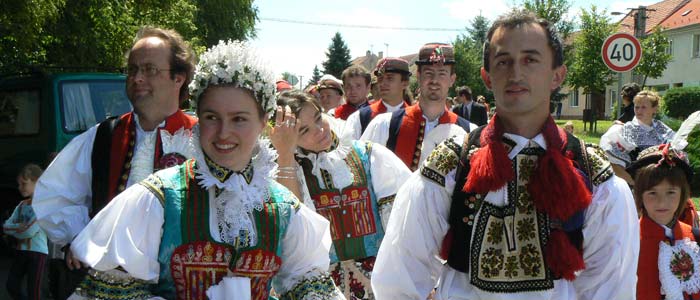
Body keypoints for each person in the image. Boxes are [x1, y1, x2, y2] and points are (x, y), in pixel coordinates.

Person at [371, 9, 639, 299]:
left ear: (557, 75)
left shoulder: (594, 175)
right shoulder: (449, 166)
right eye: (503, 62)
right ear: (487, 77)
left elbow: (611, 287)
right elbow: (399, 279)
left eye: (530, 59)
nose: (516, 73)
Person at [67, 40, 343, 300]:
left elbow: (309, 282)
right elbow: (110, 293)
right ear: (199, 119)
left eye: (239, 119)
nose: (224, 133)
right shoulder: (158, 199)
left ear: (263, 123)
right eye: (212, 117)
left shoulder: (283, 208)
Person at [32, 26, 198, 295]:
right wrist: (80, 238)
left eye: (149, 69)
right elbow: (54, 195)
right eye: (132, 70)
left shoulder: (201, 138)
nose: (137, 78)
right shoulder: (103, 136)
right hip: (109, 288)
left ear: (178, 78)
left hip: (181, 287)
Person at [270, 90, 411, 299]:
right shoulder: (289, 172)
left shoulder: (370, 155)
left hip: (378, 283)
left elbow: (403, 222)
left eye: (318, 118)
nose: (319, 130)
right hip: (322, 289)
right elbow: (294, 229)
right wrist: (286, 155)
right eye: (304, 130)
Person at [361, 44, 476, 171]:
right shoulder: (384, 125)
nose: (434, 80)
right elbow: (361, 173)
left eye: (442, 73)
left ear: (452, 79)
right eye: (428, 73)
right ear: (419, 76)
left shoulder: (468, 132)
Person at [627, 144, 700, 300]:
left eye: (671, 192)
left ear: (683, 195)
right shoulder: (627, 243)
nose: (662, 202)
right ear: (640, 195)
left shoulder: (695, 239)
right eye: (652, 193)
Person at [601, 90, 676, 185]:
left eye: (644, 107)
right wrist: (635, 184)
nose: (639, 111)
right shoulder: (624, 130)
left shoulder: (663, 129)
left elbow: (675, 153)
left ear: (655, 108)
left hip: (661, 182)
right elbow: (614, 164)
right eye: (637, 107)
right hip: (634, 185)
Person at [3, 164, 47, 300]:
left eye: (24, 183)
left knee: (34, 290)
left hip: (37, 253)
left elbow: (29, 231)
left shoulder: (43, 206)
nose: (20, 187)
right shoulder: (22, 205)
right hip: (21, 251)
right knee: (12, 285)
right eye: (19, 184)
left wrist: (15, 228)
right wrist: (20, 227)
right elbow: (5, 226)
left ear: (37, 182)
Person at [342, 57, 413, 141]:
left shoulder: (416, 118)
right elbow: (347, 150)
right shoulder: (360, 117)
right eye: (380, 78)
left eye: (390, 78)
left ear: (405, 83)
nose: (382, 83)